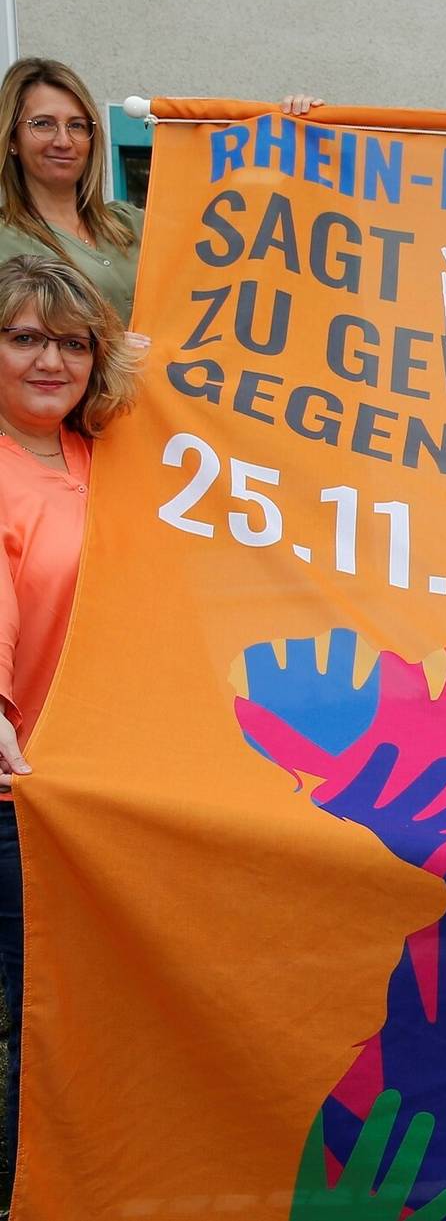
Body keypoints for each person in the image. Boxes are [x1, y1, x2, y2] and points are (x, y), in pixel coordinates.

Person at [0, 253, 138, 1182]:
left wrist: (286, 143)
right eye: (22, 337)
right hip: (22, 791)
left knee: (105, 1015)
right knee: (40, 1014)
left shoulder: (110, 453)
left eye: (71, 341)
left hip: (114, 789)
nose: (50, 359)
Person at [0, 60, 144, 324]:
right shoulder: (5, 240)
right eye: (42, 124)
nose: (63, 141)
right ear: (12, 139)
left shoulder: (131, 223)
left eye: (76, 125)